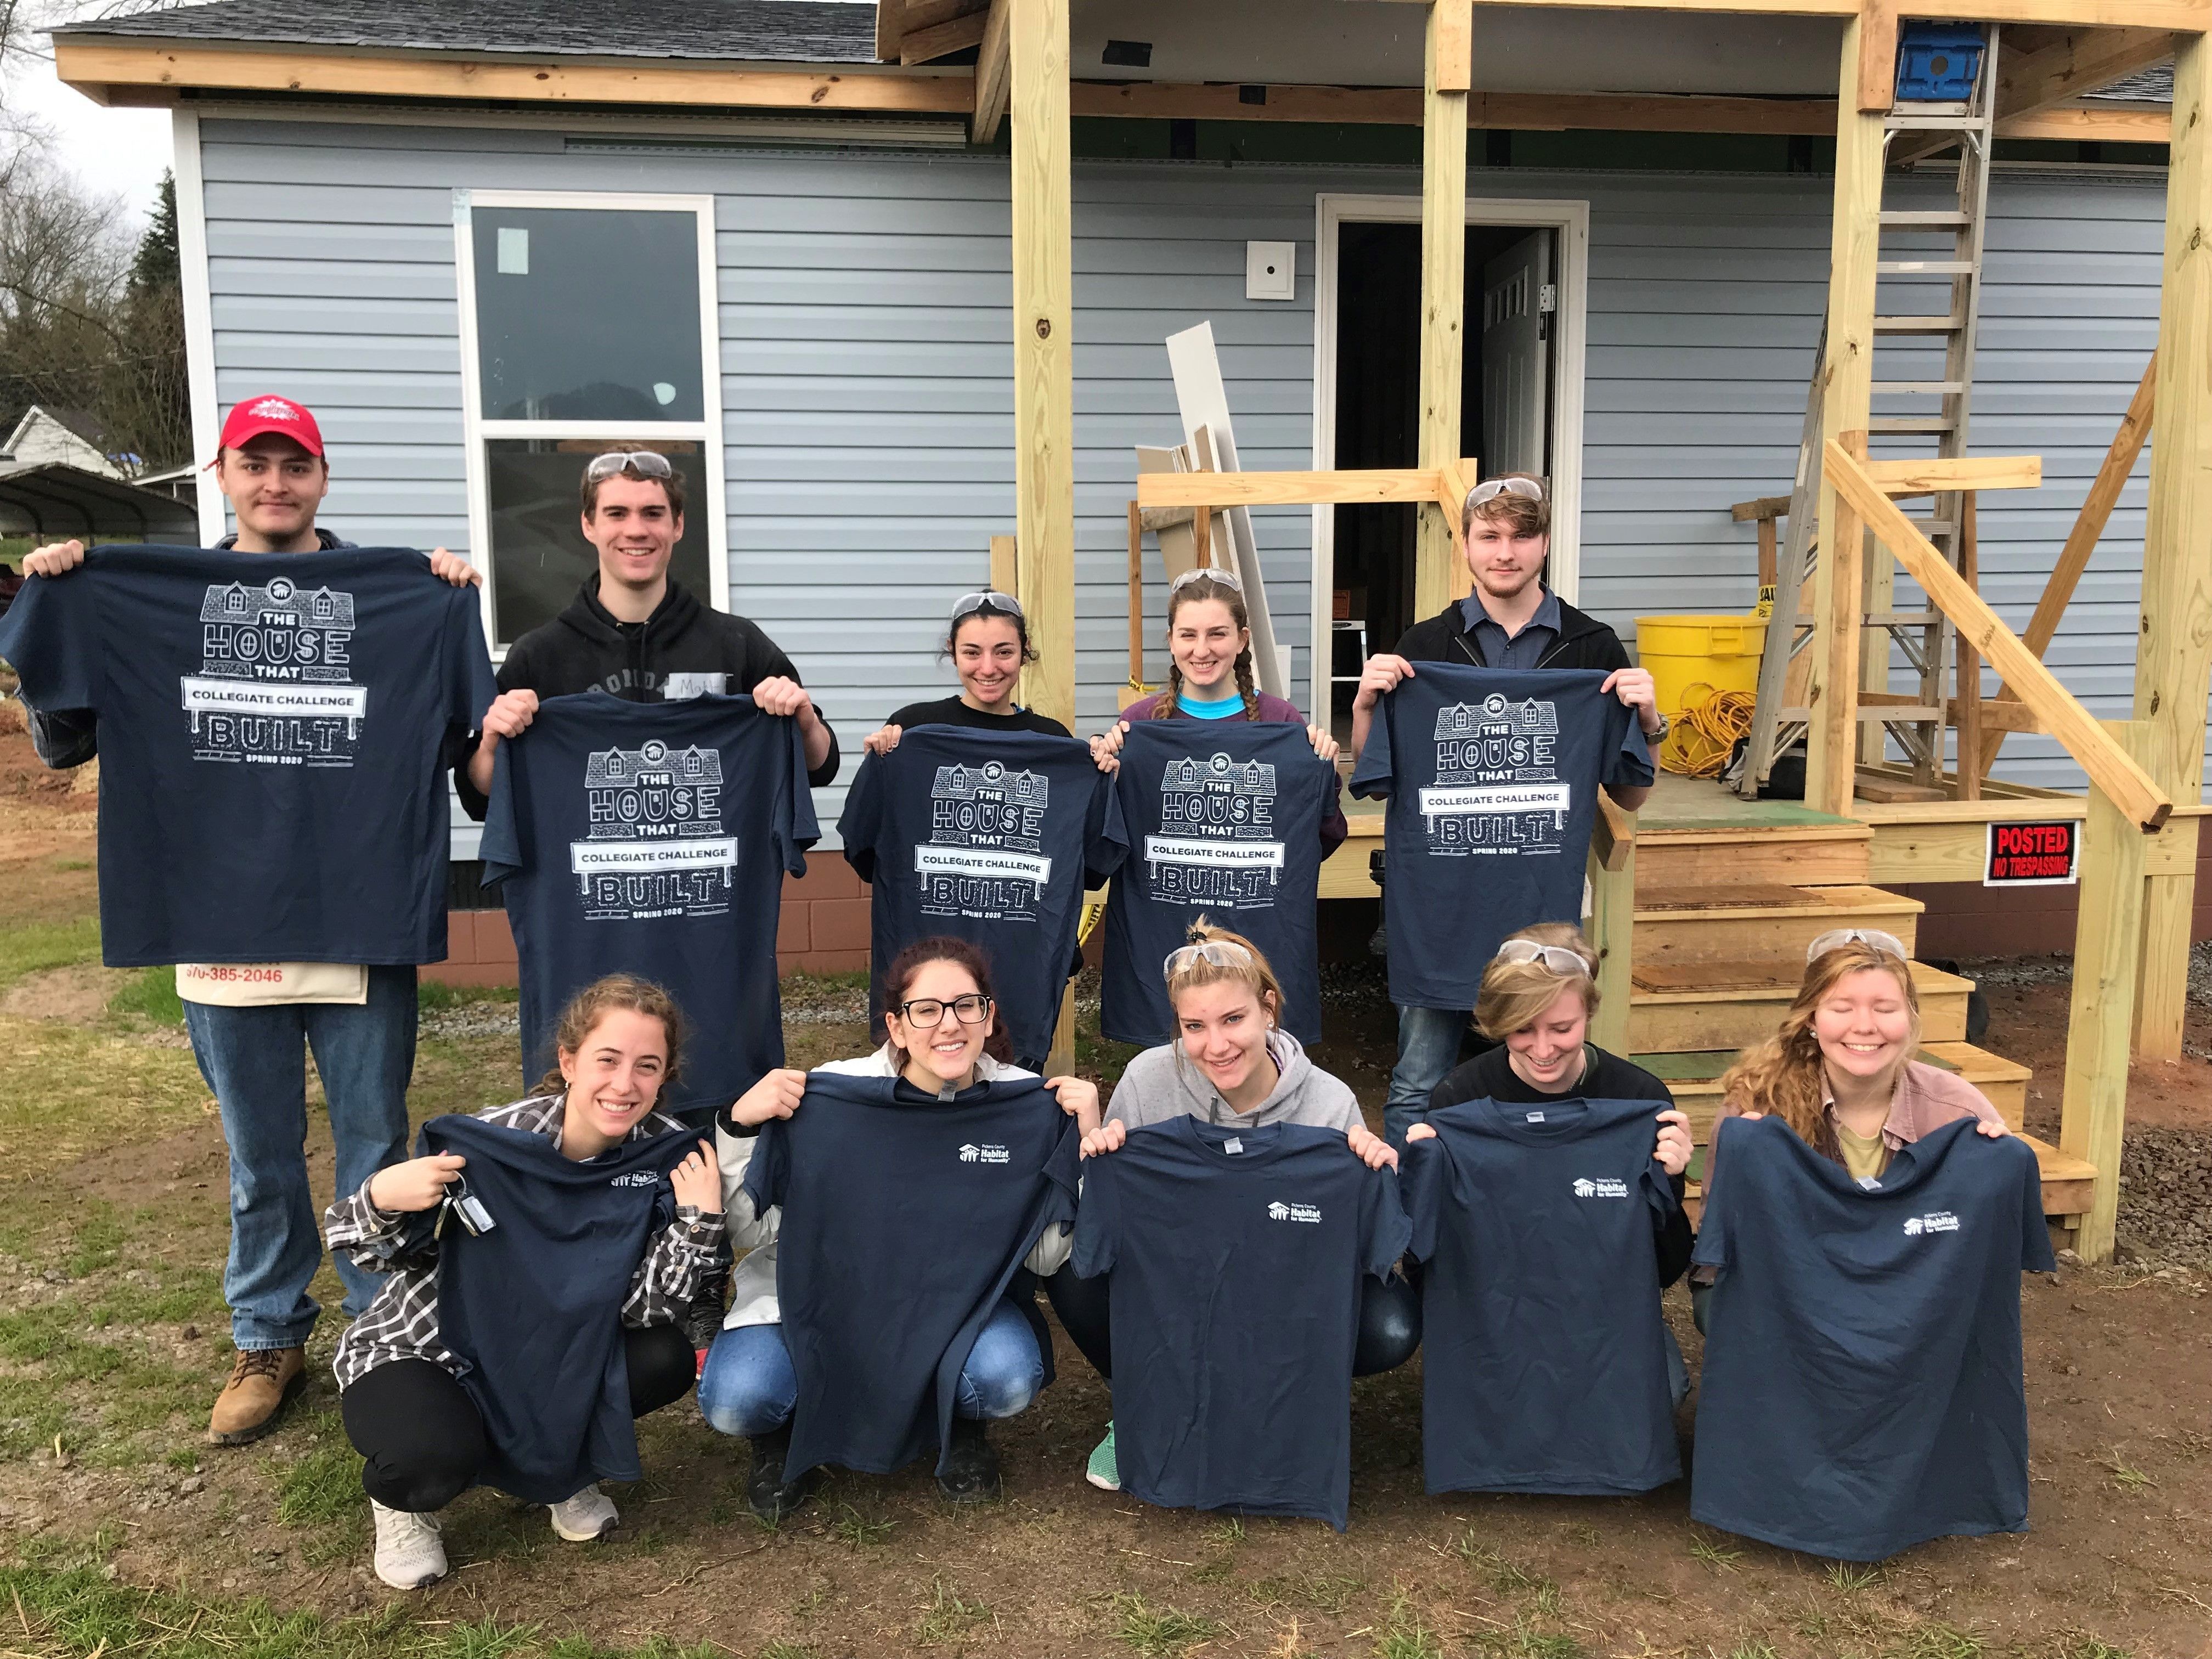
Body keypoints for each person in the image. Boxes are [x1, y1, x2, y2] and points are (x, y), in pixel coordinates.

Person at [19, 393, 484, 1447]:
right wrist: (69, 594)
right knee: (259, 1151)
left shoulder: (400, 597)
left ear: (323, 479)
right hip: (215, 915)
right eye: (254, 463)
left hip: (356, 915)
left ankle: (386, 1324)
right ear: (219, 477)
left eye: (296, 464)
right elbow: (61, 743)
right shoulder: (147, 595)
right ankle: (267, 1333)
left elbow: (462, 734)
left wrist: (444, 594)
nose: (276, 482)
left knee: (373, 1138)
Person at [326, 975, 723, 1590]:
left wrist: (699, 1222)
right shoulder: (493, 1144)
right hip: (433, 1348)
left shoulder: (667, 1161)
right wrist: (380, 1196)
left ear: (665, 1077)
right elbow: (369, 1254)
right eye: (607, 1060)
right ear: (569, 1062)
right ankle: (404, 1505)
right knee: (427, 1462)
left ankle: (561, 1468)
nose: (625, 1084)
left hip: (557, 1353)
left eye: (648, 1066)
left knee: (663, 1357)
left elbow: (647, 1311)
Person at [698, 938, 1100, 1520]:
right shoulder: (826, 1097)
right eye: (926, 1010)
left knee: (1005, 1380)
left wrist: (1081, 1148)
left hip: (950, 1313)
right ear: (896, 1024)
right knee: (740, 1401)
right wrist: (738, 1127)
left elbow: (1045, 1260)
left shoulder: (1026, 1105)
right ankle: (782, 1438)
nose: (949, 1024)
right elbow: (746, 1231)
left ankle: (960, 1429)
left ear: (988, 1017)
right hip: (820, 1306)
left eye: (967, 1006)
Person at [1348, 475, 1663, 1143]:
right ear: (1466, 545)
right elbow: (1377, 779)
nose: (1505, 552)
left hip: (1540, 908)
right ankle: (1414, 1229)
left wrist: (1649, 719)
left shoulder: (1592, 648)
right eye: (1489, 536)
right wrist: (1367, 705)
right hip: (1439, 905)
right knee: (1417, 1083)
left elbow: (1630, 795)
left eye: (1521, 536)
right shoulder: (1425, 647)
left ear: (1544, 544)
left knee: (1538, 1071)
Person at [1054, 921, 1413, 1494]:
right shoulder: (1150, 1080)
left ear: (1268, 1009)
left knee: (1389, 1327)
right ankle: (1142, 1409)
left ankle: (1282, 1409)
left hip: (1280, 1289)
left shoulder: (1329, 1103)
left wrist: (1369, 1176)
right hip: (1178, 1284)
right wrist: (1099, 1144)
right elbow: (1104, 1218)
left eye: (1233, 1020)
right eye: (1194, 1026)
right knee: (1074, 1273)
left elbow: (1362, 1251)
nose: (1215, 1046)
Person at [1404, 924, 1696, 1402]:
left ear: (1588, 1012)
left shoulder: (1639, 1098)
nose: (1543, 1050)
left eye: (1562, 1029)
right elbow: (1433, 1257)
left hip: (1603, 1308)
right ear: (1497, 1023)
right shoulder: (1459, 1097)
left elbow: (1662, 1268)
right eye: (1522, 1030)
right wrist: (1423, 1180)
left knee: (1661, 1391)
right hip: (1498, 1307)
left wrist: (1670, 1180)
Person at [458, 449, 839, 814]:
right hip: (586, 875)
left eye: (653, 513)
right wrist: (492, 744)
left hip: (711, 874)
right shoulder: (539, 656)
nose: (636, 530)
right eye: (617, 514)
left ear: (678, 525)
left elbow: (821, 768)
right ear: (588, 525)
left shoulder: (737, 645)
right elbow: (479, 798)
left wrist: (804, 721)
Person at [1695, 927, 2013, 1330]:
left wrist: (1995, 1171)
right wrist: (1751, 1178)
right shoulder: (1758, 1107)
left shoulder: (1959, 1110)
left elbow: (1991, 1249)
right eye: (1842, 1008)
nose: (1864, 1026)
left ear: (1911, 1018)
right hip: (1789, 1286)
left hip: (1911, 1285)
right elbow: (1717, 1248)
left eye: (1884, 1009)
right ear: (1811, 1018)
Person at [1090, 568, 1347, 844]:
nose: (1201, 651)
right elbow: (1105, 848)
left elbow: (1317, 845)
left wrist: (1325, 781)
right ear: (1171, 641)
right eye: (1188, 635)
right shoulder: (1139, 723)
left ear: (1242, 639)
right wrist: (1104, 780)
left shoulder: (1281, 721)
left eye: (1217, 635)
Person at [862, 589, 1101, 751]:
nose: (988, 669)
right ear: (953, 652)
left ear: (1024, 651)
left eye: (1004, 652)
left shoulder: (1052, 738)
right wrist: (878, 760)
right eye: (972, 653)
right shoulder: (912, 727)